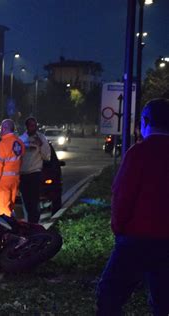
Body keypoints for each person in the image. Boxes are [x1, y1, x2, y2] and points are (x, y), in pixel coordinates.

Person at [96, 98, 169, 315]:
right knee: (163, 301)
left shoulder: (138, 152)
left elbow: (122, 196)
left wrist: (119, 230)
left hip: (136, 240)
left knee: (109, 296)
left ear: (145, 122)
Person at [0, 119, 25, 217]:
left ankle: (9, 229)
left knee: (2, 208)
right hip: (15, 180)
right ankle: (13, 224)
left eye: (1, 127)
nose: (0, 130)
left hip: (3, 182)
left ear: (5, 128)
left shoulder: (3, 145)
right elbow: (21, 160)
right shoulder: (19, 142)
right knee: (10, 205)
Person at [19, 117, 51, 223]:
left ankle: (34, 223)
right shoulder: (21, 139)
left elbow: (47, 156)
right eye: (31, 125)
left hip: (34, 174)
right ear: (27, 127)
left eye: (35, 125)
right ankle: (29, 222)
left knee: (34, 201)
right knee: (26, 202)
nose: (34, 127)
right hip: (23, 175)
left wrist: (41, 144)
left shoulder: (41, 138)